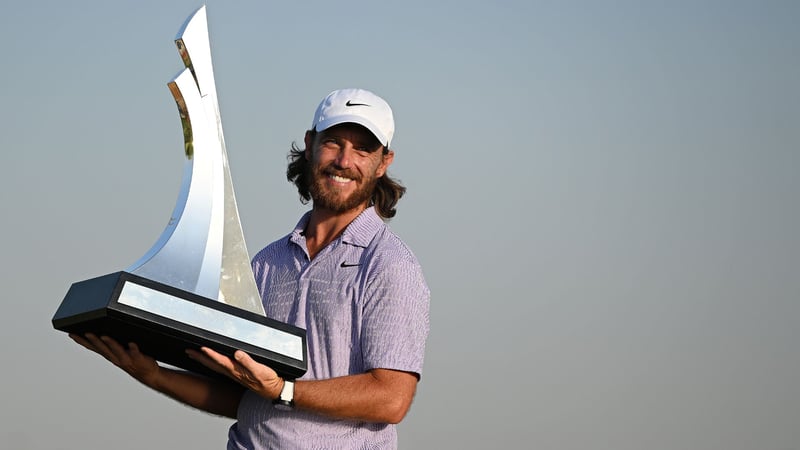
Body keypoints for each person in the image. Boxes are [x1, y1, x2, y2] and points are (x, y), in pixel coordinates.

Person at [71, 88, 430, 449]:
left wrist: (282, 389)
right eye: (334, 142)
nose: (344, 160)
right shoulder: (266, 263)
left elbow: (391, 398)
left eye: (363, 149)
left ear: (384, 163)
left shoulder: (389, 265)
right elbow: (243, 395)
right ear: (310, 144)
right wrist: (153, 375)